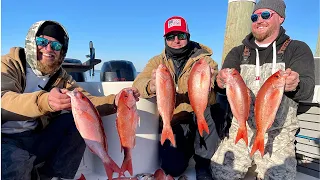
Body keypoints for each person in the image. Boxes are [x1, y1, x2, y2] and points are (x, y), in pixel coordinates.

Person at [1, 20, 140, 180]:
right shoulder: (8, 64)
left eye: (56, 46)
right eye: (42, 42)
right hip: (6, 139)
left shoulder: (60, 76)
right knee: (16, 165)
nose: (48, 49)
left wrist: (115, 101)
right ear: (32, 42)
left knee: (76, 121)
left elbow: (87, 103)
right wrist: (45, 101)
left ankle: (53, 176)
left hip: (36, 136)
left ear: (62, 51)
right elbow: (3, 99)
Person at [211, 0, 315, 179]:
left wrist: (295, 85)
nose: (259, 20)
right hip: (240, 127)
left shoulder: (297, 49)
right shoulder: (237, 52)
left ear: (281, 18)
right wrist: (219, 82)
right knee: (221, 173)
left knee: (278, 177)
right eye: (254, 16)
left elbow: (307, 91)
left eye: (266, 15)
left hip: (278, 132)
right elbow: (222, 90)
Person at [132, 16, 221, 180]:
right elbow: (138, 84)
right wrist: (151, 85)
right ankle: (188, 150)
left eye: (181, 36)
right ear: (165, 39)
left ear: (188, 36)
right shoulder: (158, 62)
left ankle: (203, 164)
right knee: (172, 168)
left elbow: (216, 80)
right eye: (171, 37)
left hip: (200, 113)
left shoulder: (204, 61)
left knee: (211, 114)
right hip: (176, 120)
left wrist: (214, 79)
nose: (176, 41)